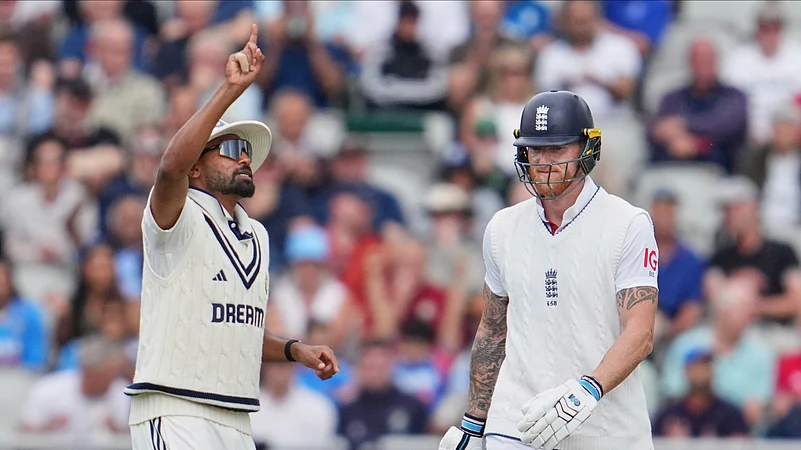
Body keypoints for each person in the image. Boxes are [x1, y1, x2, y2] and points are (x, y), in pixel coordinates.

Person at [123, 25, 339, 450]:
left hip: (237, 419)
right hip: (176, 408)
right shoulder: (178, 214)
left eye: (246, 151)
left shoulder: (256, 233)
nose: (243, 158)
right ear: (196, 167)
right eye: (228, 149)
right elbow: (170, 167)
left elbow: (236, 329)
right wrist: (230, 90)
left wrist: (295, 350)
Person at [439, 90, 659, 450]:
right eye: (534, 150)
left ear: (587, 149)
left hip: (607, 426)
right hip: (516, 424)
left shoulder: (628, 224)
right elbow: (492, 330)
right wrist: (473, 423)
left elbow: (641, 331)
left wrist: (588, 389)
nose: (543, 161)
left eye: (557, 149)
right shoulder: (502, 227)